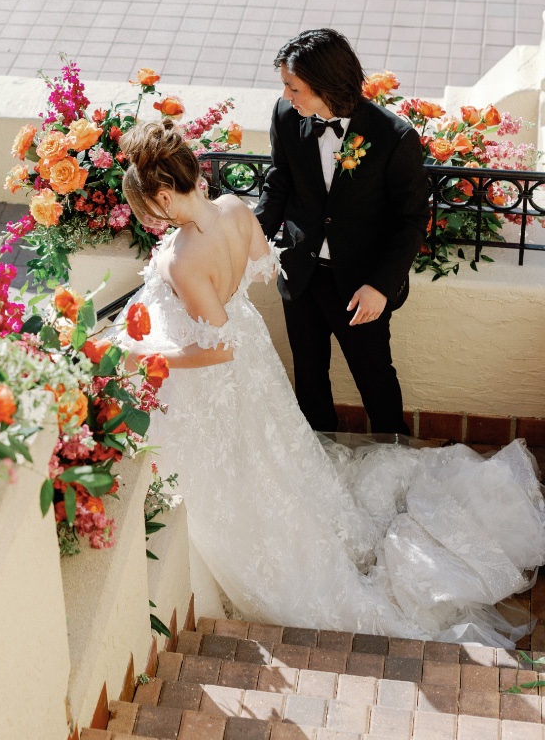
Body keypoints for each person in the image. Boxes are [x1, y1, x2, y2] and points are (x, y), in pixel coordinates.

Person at [109, 120, 545, 645]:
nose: (153, 222)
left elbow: (218, 349)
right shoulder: (232, 208)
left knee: (249, 464)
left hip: (223, 374)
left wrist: (149, 355)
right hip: (254, 355)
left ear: (161, 195)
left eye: (151, 211)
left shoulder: (184, 257)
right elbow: (259, 265)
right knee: (275, 455)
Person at [255, 29, 429, 435]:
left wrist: (381, 287)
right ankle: (320, 459)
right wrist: (246, 240)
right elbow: (279, 184)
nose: (286, 96)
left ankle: (394, 458)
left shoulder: (393, 136)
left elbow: (411, 218)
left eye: (293, 87)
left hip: (360, 283)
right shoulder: (285, 118)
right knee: (309, 376)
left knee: (375, 379)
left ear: (325, 85)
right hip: (300, 272)